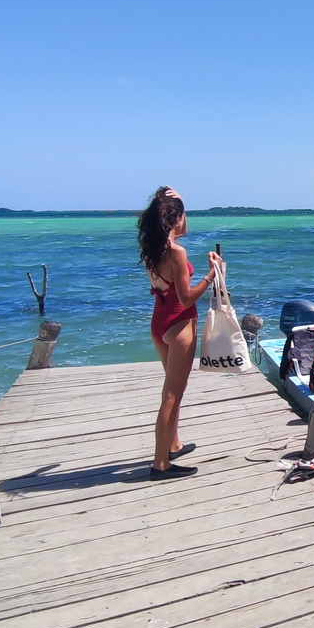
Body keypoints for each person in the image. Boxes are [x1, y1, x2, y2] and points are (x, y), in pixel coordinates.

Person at [138, 186, 220, 481]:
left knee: (174, 389)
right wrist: (212, 273)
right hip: (179, 322)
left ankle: (172, 444)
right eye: (183, 215)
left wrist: (178, 200)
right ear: (176, 219)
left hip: (159, 321)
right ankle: (160, 464)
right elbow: (186, 298)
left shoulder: (152, 246)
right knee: (172, 394)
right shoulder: (176, 251)